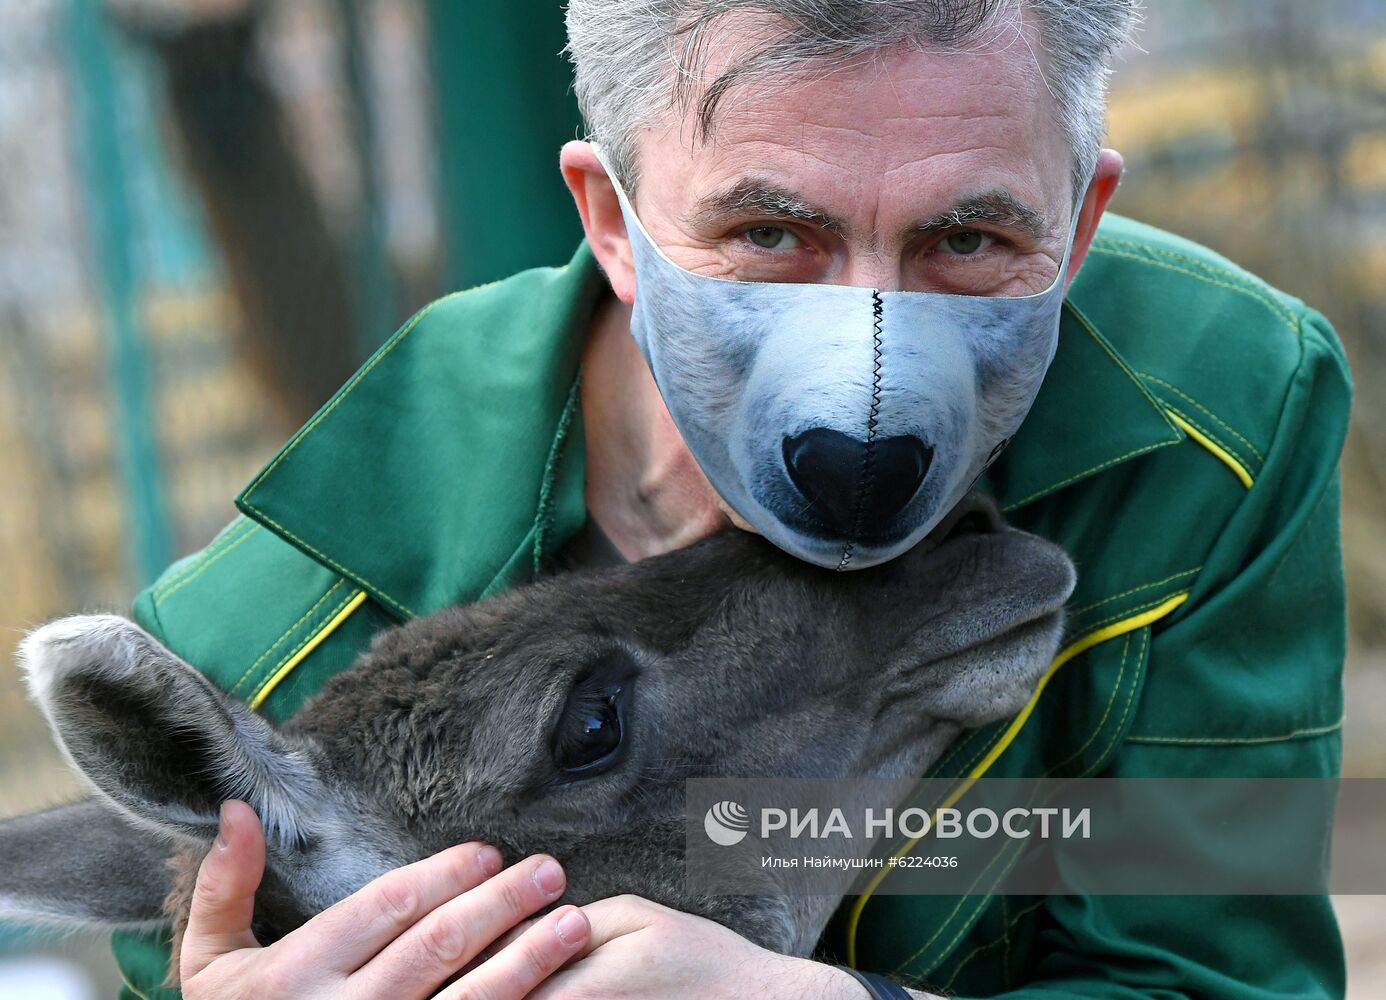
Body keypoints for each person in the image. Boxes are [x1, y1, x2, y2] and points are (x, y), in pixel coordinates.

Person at [109, 1, 1352, 998]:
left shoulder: (1218, 413)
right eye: (769, 232)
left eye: (966, 241)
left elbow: (1212, 958)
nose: (868, 391)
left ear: (1078, 229)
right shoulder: (251, 653)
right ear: (610, 217)